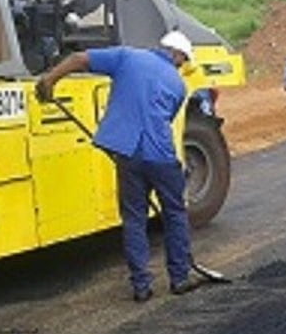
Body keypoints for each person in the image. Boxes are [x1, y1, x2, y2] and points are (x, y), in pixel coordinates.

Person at [35, 30, 200, 302]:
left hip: (127, 154)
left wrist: (49, 79)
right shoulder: (178, 84)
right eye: (184, 60)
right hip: (160, 156)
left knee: (134, 218)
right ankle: (180, 278)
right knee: (174, 214)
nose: (183, 64)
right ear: (178, 55)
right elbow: (165, 120)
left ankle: (141, 286)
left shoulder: (127, 57)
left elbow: (79, 59)